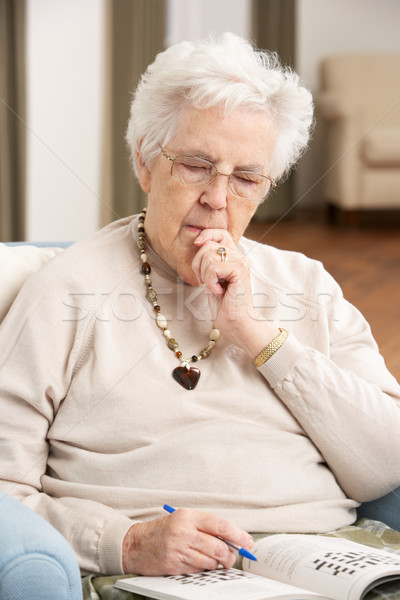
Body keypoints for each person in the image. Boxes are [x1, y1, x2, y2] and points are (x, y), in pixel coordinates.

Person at [0, 32, 400, 591]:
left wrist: (258, 335)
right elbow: (3, 488)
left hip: (326, 563)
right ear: (144, 162)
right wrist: (125, 542)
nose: (218, 198)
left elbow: (385, 462)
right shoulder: (66, 291)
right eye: (195, 165)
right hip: (156, 578)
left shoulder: (308, 284)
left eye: (245, 177)